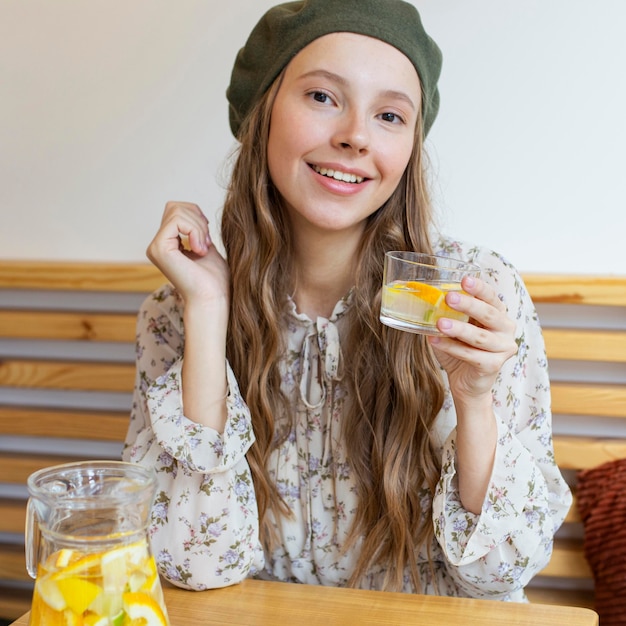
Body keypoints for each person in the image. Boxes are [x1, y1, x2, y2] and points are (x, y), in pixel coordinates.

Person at [123, 0, 571, 601]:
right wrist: (208, 311)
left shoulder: (475, 293)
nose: (355, 136)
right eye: (323, 97)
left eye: (389, 115)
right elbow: (188, 565)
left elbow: (499, 576)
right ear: (263, 112)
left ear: (410, 146)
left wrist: (474, 400)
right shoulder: (175, 311)